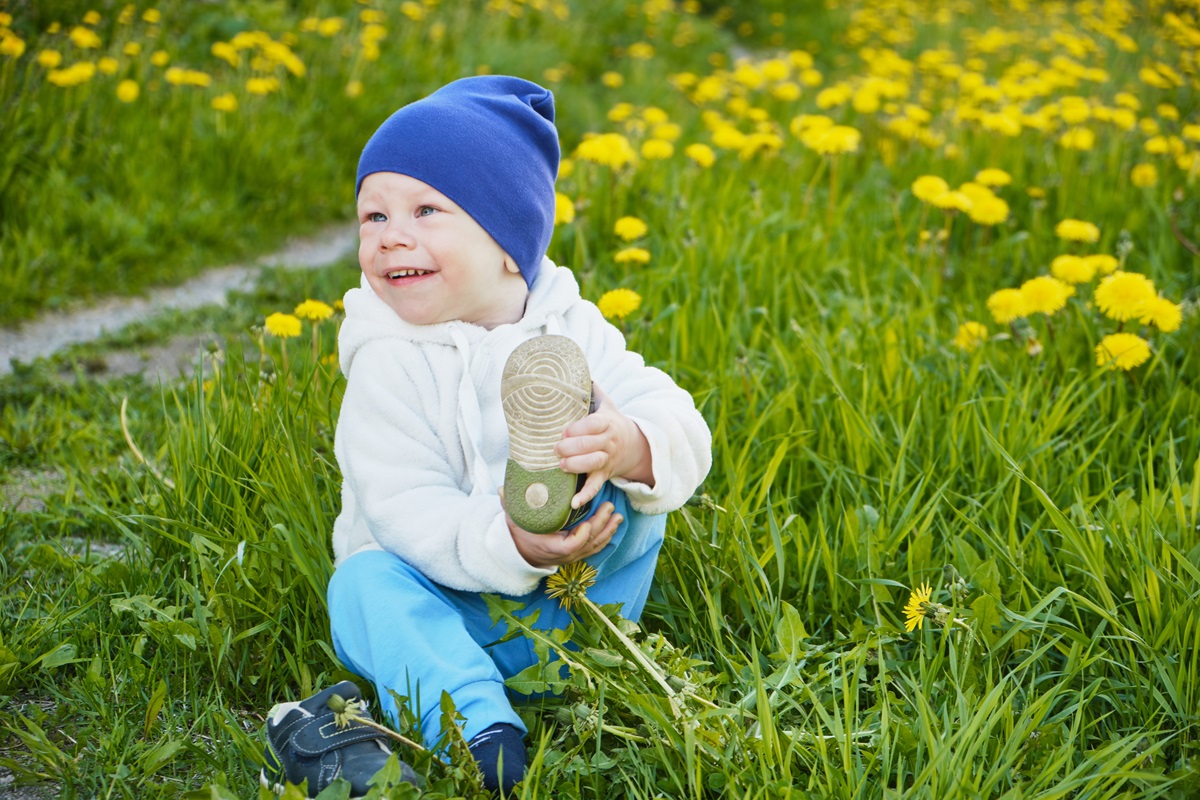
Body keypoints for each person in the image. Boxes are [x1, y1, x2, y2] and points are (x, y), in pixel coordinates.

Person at [260, 75, 712, 797]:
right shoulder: (387, 359)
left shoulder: (571, 327)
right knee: (363, 583)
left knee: (634, 494)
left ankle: (594, 659)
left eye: (426, 209)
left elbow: (680, 418)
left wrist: (632, 445)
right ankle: (477, 725)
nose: (390, 234)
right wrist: (511, 544)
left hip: (575, 600)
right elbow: (404, 506)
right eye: (372, 216)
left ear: (507, 243)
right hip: (441, 604)